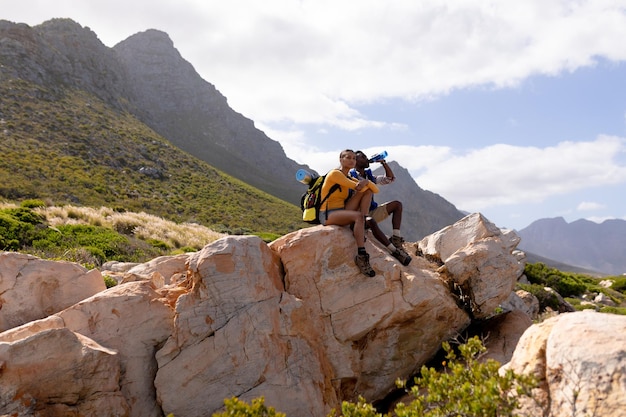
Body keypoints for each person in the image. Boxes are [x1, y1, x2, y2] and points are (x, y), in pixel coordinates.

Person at [320, 149, 379, 277]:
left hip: (342, 211)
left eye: (354, 158)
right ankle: (361, 255)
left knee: (367, 192)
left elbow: (374, 190)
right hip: (327, 213)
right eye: (348, 158)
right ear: (341, 160)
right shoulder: (335, 174)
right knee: (358, 214)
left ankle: (361, 224)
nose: (352, 160)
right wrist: (365, 183)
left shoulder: (348, 177)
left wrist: (368, 182)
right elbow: (358, 187)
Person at [349, 150, 412, 266]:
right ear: (355, 161)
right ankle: (394, 251)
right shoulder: (350, 176)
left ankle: (396, 239)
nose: (367, 158)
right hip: (357, 217)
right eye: (363, 157)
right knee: (371, 221)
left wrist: (383, 163)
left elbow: (389, 179)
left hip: (370, 211)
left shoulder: (368, 175)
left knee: (397, 204)